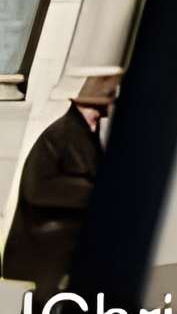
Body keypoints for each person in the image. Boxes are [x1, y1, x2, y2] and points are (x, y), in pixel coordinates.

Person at [3, 73, 118, 297]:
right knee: (42, 307)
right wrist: (89, 191)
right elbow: (37, 189)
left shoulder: (85, 134)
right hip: (46, 242)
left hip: (60, 243)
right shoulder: (60, 135)